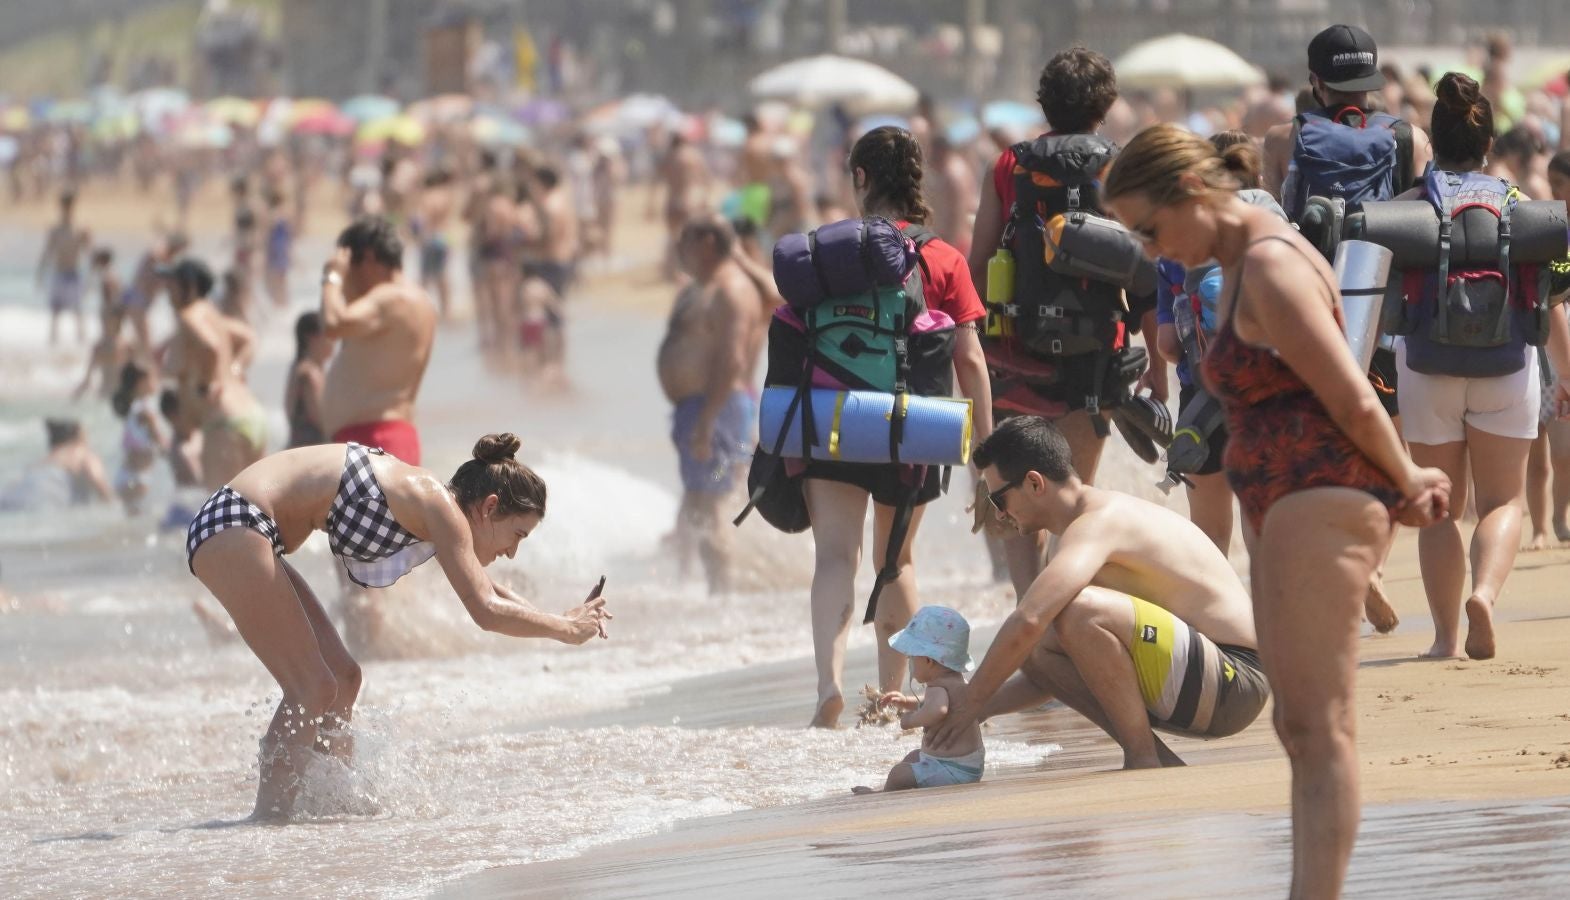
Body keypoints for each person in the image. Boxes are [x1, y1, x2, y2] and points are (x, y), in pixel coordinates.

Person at [1103, 123, 1451, 898]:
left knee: (1322, 731)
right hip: (1290, 503)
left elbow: (1352, 394)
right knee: (1297, 726)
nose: (1153, 251)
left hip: (1320, 499)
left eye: (1151, 228)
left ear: (1192, 191)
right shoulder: (1242, 258)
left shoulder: (1267, 265)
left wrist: (1411, 479)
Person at [186, 433, 612, 821]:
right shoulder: (436, 504)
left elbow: (488, 590)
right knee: (311, 686)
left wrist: (562, 618)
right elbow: (485, 609)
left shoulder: (437, 511)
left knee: (344, 677)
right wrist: (563, 630)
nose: (513, 552)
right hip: (234, 523)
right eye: (517, 534)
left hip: (251, 532)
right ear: (490, 508)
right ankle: (269, 821)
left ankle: (332, 806)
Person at [936, 416, 1267, 769]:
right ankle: (1153, 756)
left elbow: (1030, 618)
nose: (1000, 515)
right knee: (1036, 646)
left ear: (1034, 483)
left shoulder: (1098, 522)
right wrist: (966, 707)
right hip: (1204, 679)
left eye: (997, 499)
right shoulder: (1071, 537)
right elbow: (1055, 669)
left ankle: (1143, 756)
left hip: (1237, 678)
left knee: (1073, 613)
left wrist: (970, 701)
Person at [803, 126, 992, 729]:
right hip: (910, 428)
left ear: (861, 178)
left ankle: (828, 687)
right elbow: (970, 360)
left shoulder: (828, 253)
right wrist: (985, 455)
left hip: (832, 422)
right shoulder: (942, 258)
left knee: (835, 556)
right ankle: (888, 696)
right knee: (895, 562)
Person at [1391, 74, 1570, 660]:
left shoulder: (1411, 207)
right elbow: (1558, 285)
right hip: (1505, 365)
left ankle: (1442, 638)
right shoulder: (1519, 206)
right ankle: (1486, 597)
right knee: (1503, 502)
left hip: (1427, 369)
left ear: (1432, 144)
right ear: (1488, 144)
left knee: (1438, 507)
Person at [965, 47, 1155, 599]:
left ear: (1044, 101)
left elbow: (978, 262)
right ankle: (1067, 618)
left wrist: (976, 346)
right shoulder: (1119, 165)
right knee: (1074, 499)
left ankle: (1032, 620)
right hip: (1095, 354)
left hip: (1015, 352)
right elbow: (1144, 268)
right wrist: (1159, 376)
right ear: (1106, 103)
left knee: (1015, 507)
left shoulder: (1009, 164)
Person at [656, 217, 767, 594]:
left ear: (705, 242)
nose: (678, 247)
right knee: (697, 501)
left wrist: (706, 421)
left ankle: (722, 596)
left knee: (713, 506)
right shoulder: (701, 288)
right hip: (698, 409)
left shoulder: (732, 290)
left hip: (715, 410)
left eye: (684, 239)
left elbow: (732, 360)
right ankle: (691, 587)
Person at [320, 216, 436, 466]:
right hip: (390, 435)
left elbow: (333, 324)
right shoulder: (419, 300)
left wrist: (331, 278)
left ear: (369, 258)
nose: (347, 277)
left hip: (373, 437)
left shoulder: (390, 298)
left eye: (350, 268)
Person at [853, 606, 985, 794]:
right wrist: (906, 701)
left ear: (929, 661)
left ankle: (881, 796)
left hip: (953, 770)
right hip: (968, 765)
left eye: (911, 658)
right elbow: (934, 703)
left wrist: (910, 720)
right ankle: (892, 788)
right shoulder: (956, 681)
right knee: (913, 757)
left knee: (899, 773)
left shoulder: (937, 687)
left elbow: (937, 710)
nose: (910, 664)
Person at [163, 257, 266, 490]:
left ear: (188, 287)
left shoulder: (189, 315)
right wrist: (235, 368)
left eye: (172, 283)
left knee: (221, 520)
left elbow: (211, 346)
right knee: (258, 515)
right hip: (251, 414)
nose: (167, 289)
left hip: (224, 424)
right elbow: (249, 337)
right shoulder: (214, 316)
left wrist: (205, 384)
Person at [651, 132, 712, 281]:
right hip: (692, 201)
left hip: (673, 202)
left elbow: (656, 180)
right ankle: (688, 273)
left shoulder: (669, 157)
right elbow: (707, 179)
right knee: (691, 240)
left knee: (673, 239)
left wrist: (650, 204)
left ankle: (670, 273)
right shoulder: (694, 156)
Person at [73, 248, 129, 401]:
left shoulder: (108, 277)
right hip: (113, 334)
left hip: (111, 334)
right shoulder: (119, 345)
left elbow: (112, 300)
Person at [111, 362, 166, 515]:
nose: (157, 382)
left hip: (127, 476)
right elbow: (162, 444)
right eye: (153, 378)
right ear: (142, 382)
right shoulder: (146, 411)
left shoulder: (134, 407)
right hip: (138, 479)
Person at [36, 190, 91, 345]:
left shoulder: (80, 229)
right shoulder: (55, 230)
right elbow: (46, 253)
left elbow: (89, 253)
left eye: (69, 205)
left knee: (77, 312)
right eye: (65, 205)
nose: (67, 209)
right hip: (59, 273)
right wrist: (40, 273)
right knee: (55, 312)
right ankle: (52, 345)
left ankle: (82, 344)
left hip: (73, 274)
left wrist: (91, 278)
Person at [285, 312, 332, 449]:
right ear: (311, 338)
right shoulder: (310, 374)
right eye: (328, 334)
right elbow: (323, 421)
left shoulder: (298, 367)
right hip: (312, 451)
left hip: (298, 447)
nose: (333, 340)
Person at [415, 167, 456, 319]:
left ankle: (420, 312)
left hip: (431, 236)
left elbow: (421, 219)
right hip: (445, 237)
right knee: (443, 276)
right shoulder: (447, 195)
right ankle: (447, 312)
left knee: (425, 277)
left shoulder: (427, 196)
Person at [262, 190, 293, 311]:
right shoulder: (285, 214)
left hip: (275, 248)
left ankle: (278, 305)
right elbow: (290, 234)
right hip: (282, 248)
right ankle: (284, 305)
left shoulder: (271, 215)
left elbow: (266, 234)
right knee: (282, 280)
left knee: (273, 281)